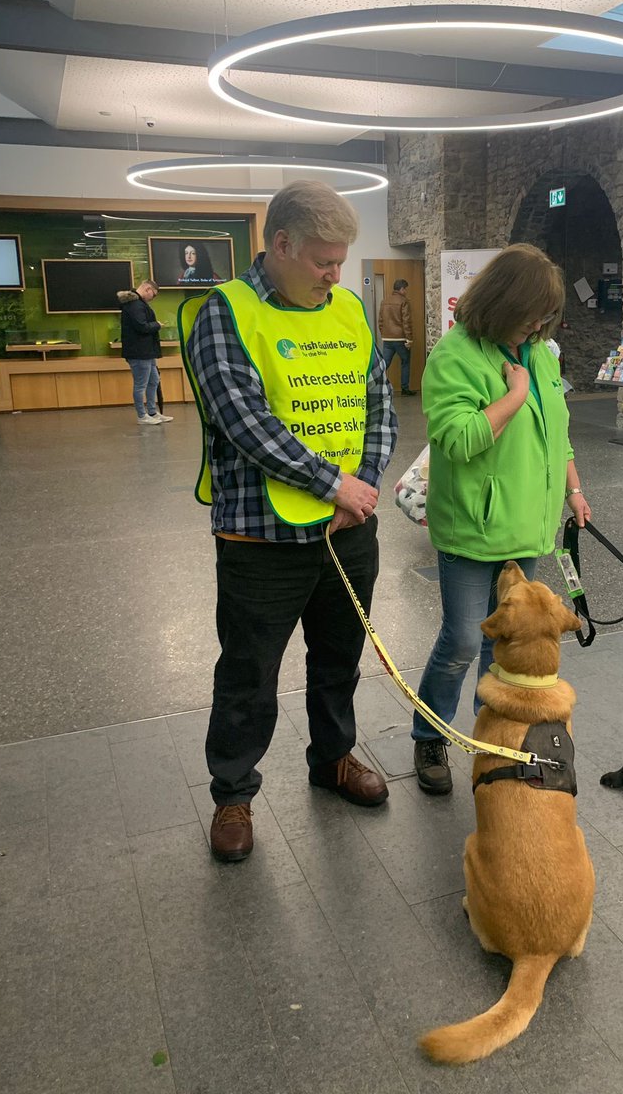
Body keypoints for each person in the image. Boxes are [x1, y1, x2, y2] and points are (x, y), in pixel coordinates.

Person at [182, 180, 398, 863]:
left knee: (340, 658)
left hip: (347, 527)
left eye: (341, 262)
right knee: (250, 673)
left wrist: (360, 489)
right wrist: (334, 483)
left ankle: (333, 759)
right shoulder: (227, 312)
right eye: (323, 262)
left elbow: (378, 405)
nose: (336, 276)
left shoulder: (350, 311)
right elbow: (245, 420)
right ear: (280, 245)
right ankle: (233, 793)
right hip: (262, 539)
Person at [411, 243, 591, 795]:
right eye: (530, 316)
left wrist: (575, 491)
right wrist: (514, 395)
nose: (537, 328)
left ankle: (495, 733)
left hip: (527, 526)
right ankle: (430, 733)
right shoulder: (454, 356)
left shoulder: (540, 353)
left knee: (504, 643)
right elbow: (460, 439)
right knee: (464, 639)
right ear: (500, 302)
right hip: (473, 527)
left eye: (544, 319)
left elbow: (556, 432)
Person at [117, 280, 173, 424]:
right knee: (141, 384)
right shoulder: (135, 305)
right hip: (139, 352)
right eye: (153, 295)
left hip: (147, 351)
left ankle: (153, 412)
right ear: (148, 289)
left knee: (153, 380)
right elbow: (142, 327)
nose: (152, 298)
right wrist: (157, 325)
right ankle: (142, 416)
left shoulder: (137, 304)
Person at [378, 278, 416, 395]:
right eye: (405, 289)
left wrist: (384, 333)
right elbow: (406, 321)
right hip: (400, 339)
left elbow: (380, 320)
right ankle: (405, 389)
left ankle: (377, 386)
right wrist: (409, 339)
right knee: (405, 362)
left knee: (384, 364)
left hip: (387, 339)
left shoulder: (384, 301)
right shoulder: (404, 301)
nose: (406, 292)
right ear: (401, 289)